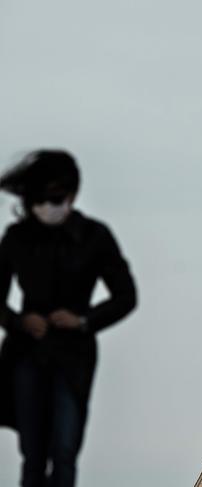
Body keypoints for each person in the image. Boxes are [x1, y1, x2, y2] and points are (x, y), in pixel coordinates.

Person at [0, 150, 137, 487]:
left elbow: (126, 296)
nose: (48, 204)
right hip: (28, 353)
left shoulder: (95, 237)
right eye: (41, 198)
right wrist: (20, 321)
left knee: (63, 451)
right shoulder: (17, 238)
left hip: (72, 355)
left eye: (56, 198)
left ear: (72, 195)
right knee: (33, 454)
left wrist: (82, 320)